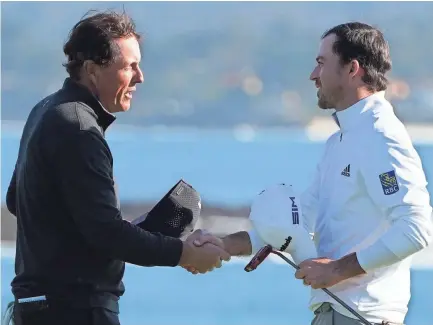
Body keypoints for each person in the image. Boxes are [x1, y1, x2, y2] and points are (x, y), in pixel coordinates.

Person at [191, 22, 433, 325]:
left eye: (321, 63)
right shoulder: (340, 141)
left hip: (362, 318)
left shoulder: (381, 136)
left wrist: (337, 270)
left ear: (351, 69)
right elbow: (295, 223)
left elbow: (416, 229)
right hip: (334, 315)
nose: (313, 75)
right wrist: (224, 244)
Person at [5, 10, 228, 325]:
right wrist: (184, 253)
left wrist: (122, 231)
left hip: (37, 307)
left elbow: (19, 201)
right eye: (129, 66)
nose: (140, 77)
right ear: (92, 70)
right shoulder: (78, 127)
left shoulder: (46, 110)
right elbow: (106, 233)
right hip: (74, 311)